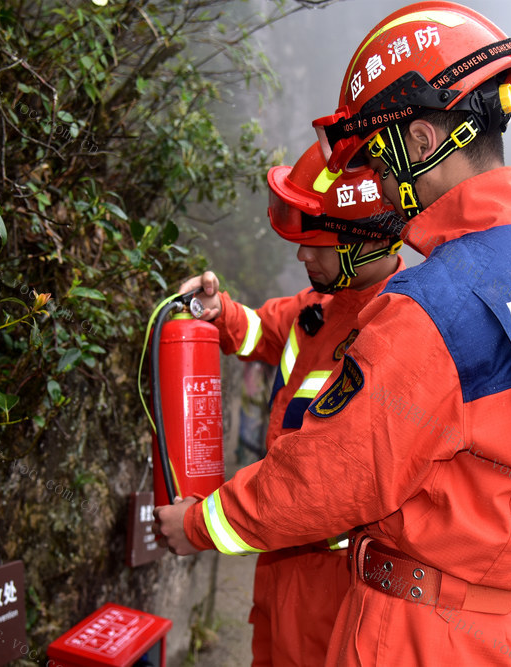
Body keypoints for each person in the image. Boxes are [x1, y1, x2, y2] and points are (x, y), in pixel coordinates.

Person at [156, 3, 511, 665]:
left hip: (416, 631)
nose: (381, 187)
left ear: (420, 141)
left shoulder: (429, 309)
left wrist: (195, 522)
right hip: (495, 627)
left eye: (379, 158)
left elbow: (322, 479)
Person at [178, 141, 406, 666]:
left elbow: (326, 482)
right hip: (281, 559)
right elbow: (260, 328)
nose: (303, 255)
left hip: (340, 586)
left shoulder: (395, 330)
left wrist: (196, 526)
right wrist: (216, 310)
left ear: (370, 241)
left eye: (319, 242)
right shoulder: (317, 307)